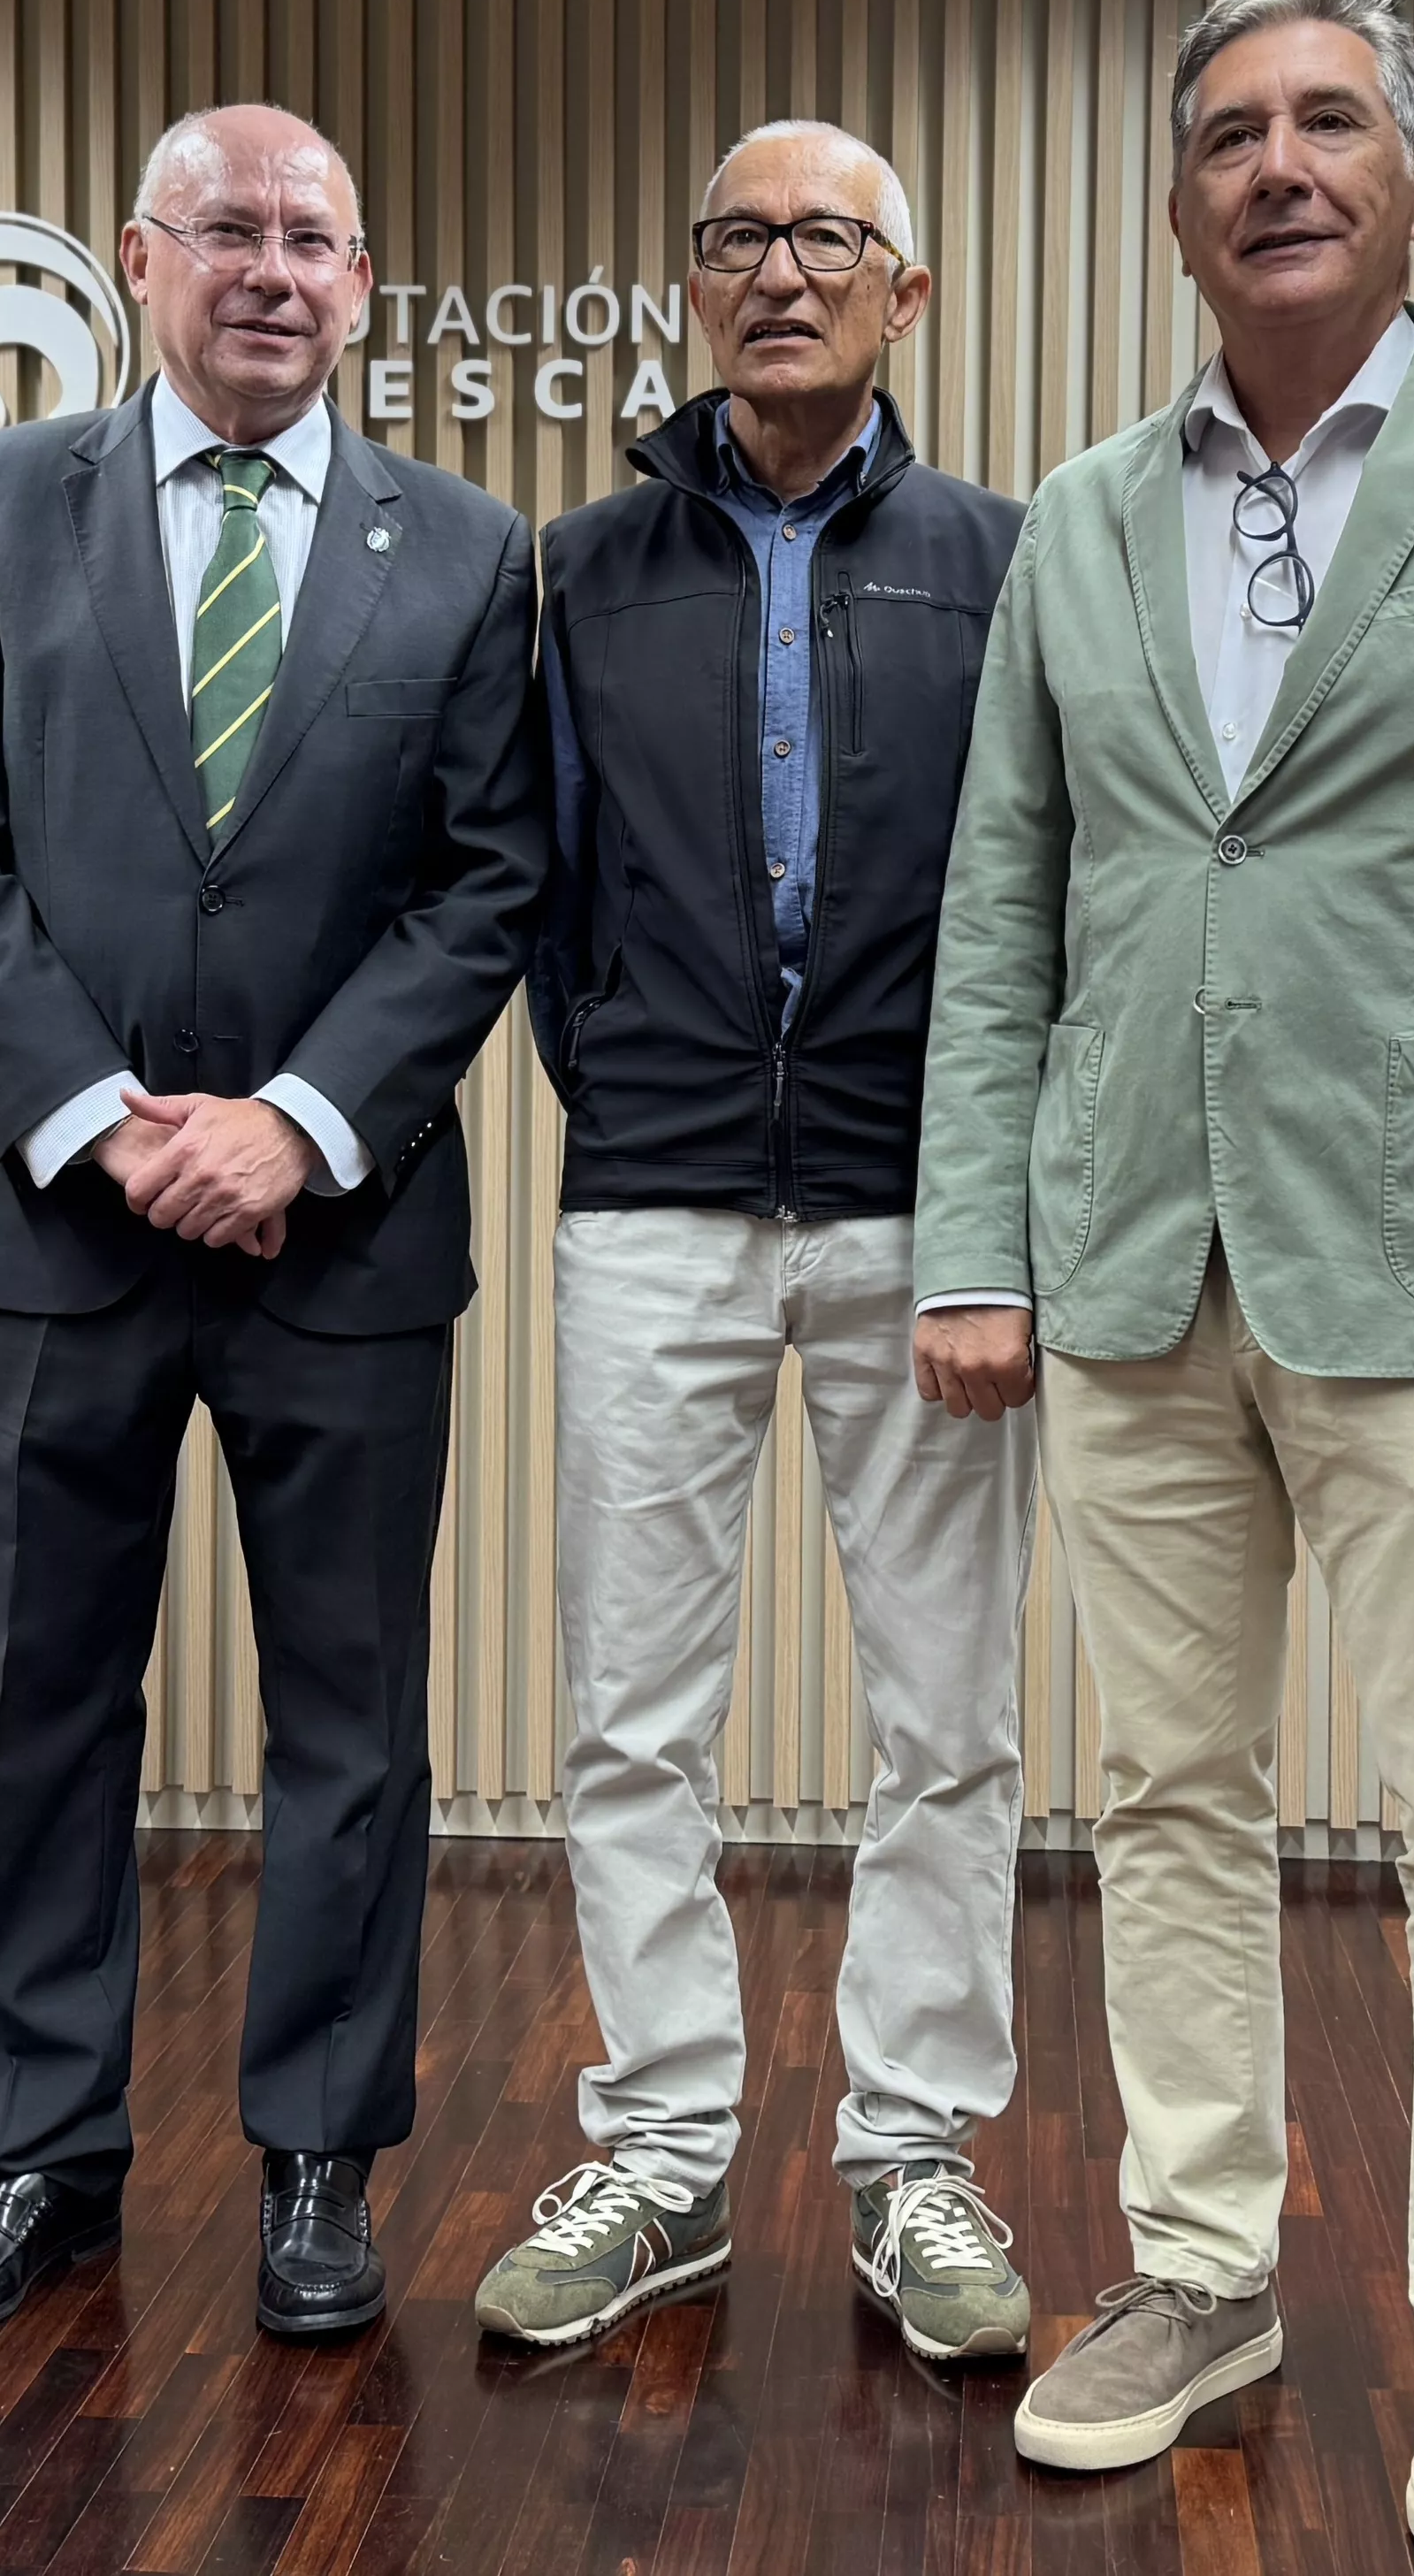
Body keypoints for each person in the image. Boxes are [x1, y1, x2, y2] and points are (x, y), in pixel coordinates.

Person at [909, 0, 1414, 2559]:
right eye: (1231, 133)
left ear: (1412, 175)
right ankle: (1193, 2270)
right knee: (1164, 1795)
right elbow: (1003, 907)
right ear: (1177, 205)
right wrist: (973, 1242)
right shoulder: (1071, 513)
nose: (1278, 163)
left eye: (1328, 121)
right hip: (1131, 1258)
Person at [0, 104, 548, 2344]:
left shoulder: (465, 547)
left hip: (343, 1240)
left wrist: (300, 1123)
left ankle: (326, 2157)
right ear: (140, 264)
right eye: (230, 230)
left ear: (366, 285)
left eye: (316, 237)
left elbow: (484, 880)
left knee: (352, 1713)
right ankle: (42, 2153)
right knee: (47, 1696)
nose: (273, 267)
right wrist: (104, 1122)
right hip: (63, 1228)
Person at [470, 123, 1036, 2364]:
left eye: (827, 239)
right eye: (737, 237)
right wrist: (621, 1081)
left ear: (909, 290)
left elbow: (1042, 897)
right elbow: (536, 884)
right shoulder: (581, 567)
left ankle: (915, 2154)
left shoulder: (1006, 556)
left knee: (951, 1722)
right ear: (690, 284)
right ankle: (667, 2153)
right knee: (630, 1716)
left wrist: (993, 1204)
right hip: (660, 1201)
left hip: (924, 1211)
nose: (778, 271)